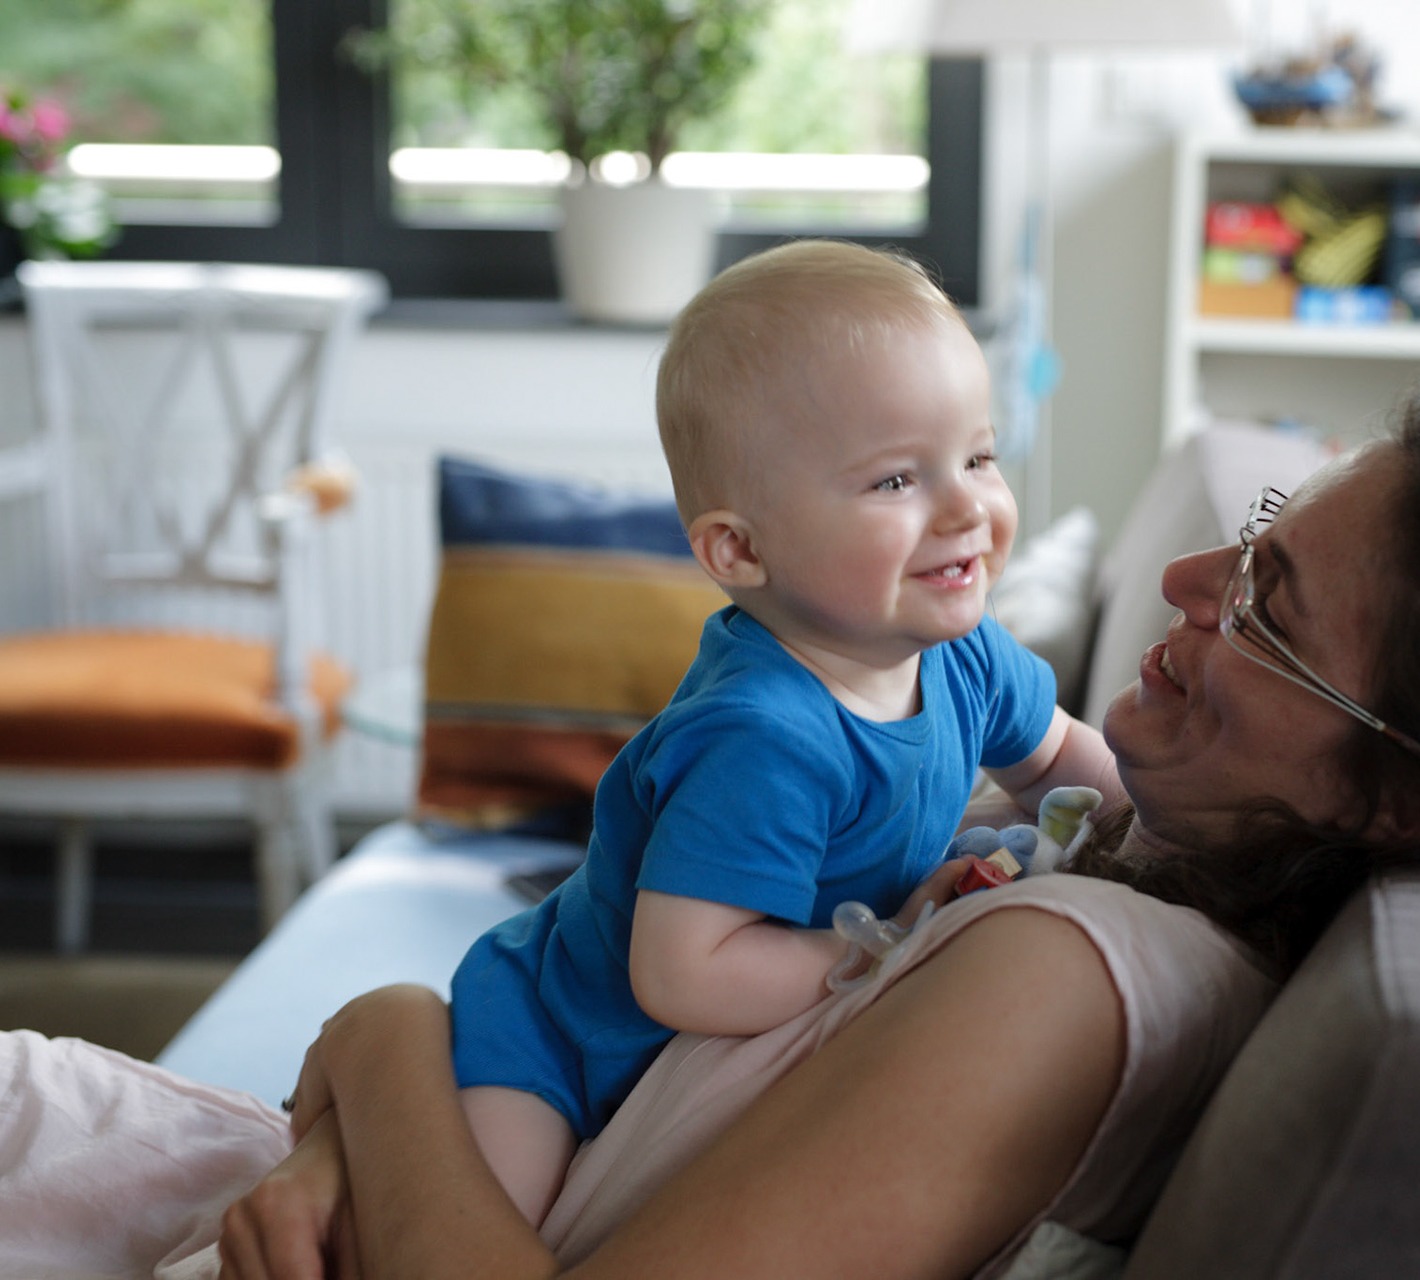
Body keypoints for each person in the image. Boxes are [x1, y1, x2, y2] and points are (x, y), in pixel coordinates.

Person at [0, 391, 1420, 1280]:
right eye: (1261, 520)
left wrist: (388, 1049)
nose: (1189, 580)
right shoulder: (1106, 871)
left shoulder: (1071, 978)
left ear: (1407, 797)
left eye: (1269, 604)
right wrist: (348, 1140)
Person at [447, 239, 1121, 1223]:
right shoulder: (762, 735)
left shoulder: (964, 652)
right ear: (741, 547)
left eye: (977, 455)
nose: (968, 504)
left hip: (673, 1057)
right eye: (897, 480)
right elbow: (684, 969)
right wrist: (892, 946)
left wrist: (1153, 831)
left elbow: (1063, 760)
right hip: (552, 1039)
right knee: (482, 1232)